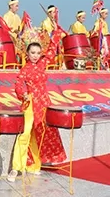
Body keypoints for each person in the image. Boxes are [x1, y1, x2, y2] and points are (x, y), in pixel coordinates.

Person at [8, 26, 67, 181]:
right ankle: (16, 168)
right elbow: (18, 84)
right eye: (32, 53)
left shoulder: (42, 64)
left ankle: (34, 165)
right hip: (30, 103)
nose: (35, 56)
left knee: (39, 134)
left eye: (37, 53)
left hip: (43, 103)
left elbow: (52, 51)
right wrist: (23, 94)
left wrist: (56, 34)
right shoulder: (25, 70)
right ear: (27, 54)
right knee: (25, 134)